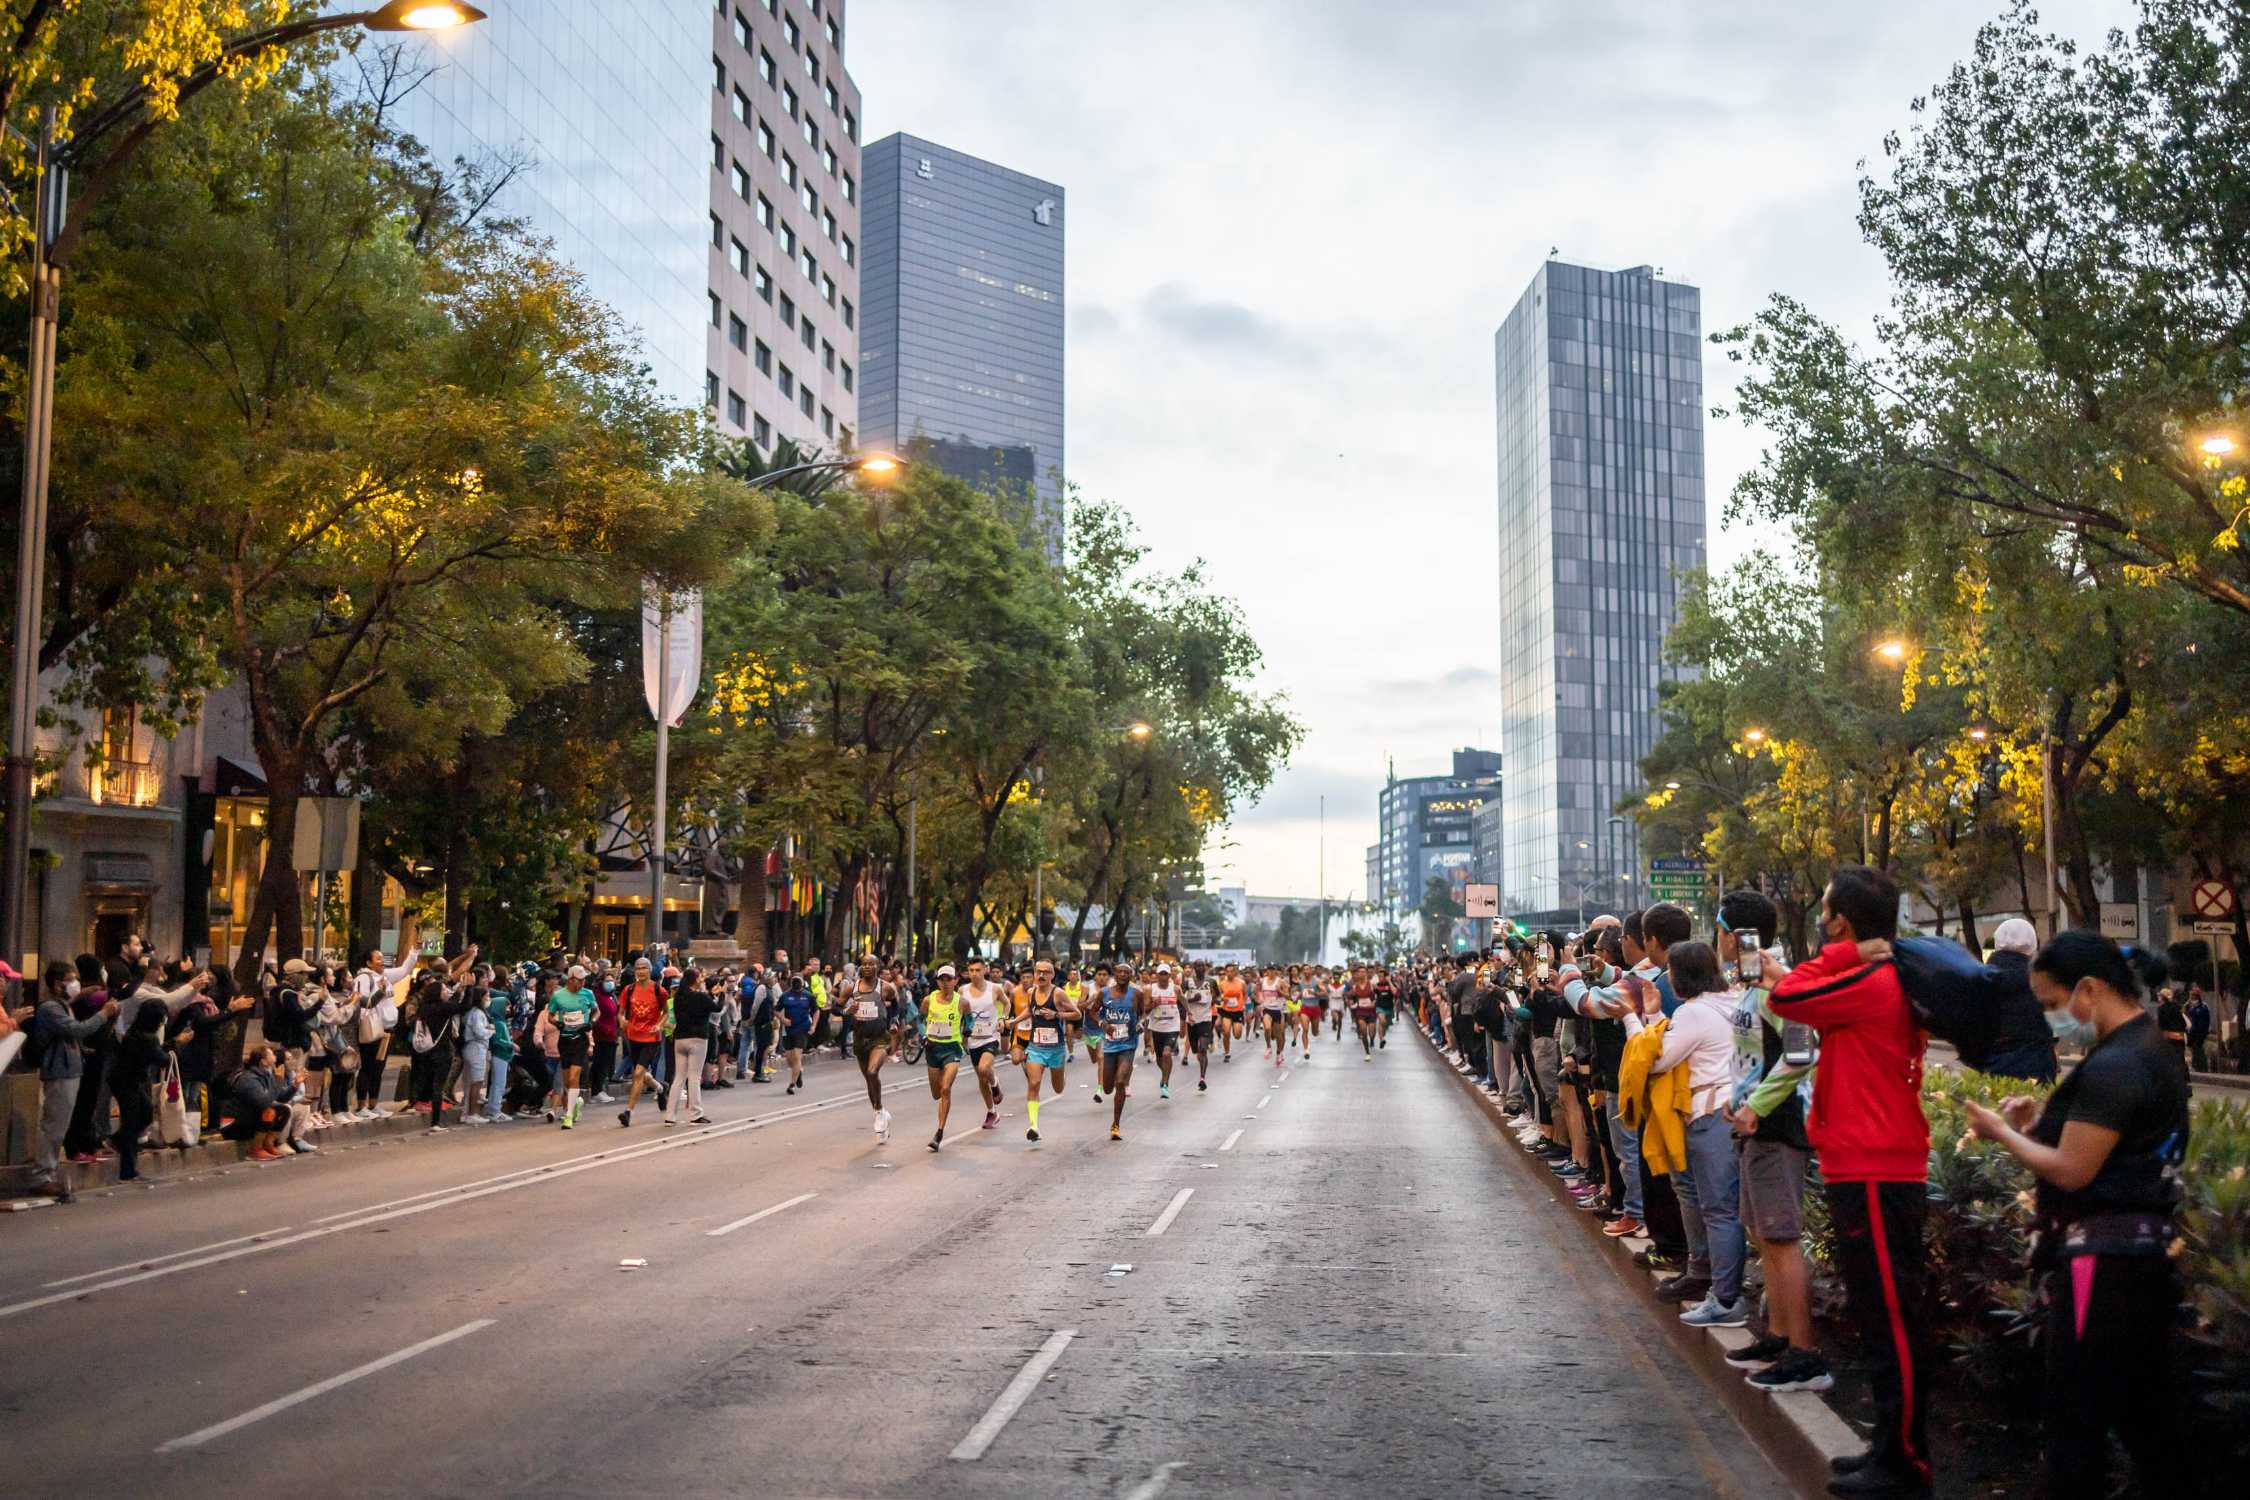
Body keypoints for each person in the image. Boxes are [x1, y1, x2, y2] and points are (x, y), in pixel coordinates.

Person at [1964, 933, 2188, 1500]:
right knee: (2146, 1419)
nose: (2051, 1019)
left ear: (2088, 989)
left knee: (2077, 1418)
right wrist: (2034, 1125)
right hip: (2138, 1256)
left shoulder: (2117, 1064)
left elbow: (2072, 1170)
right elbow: (2112, 1147)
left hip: (2105, 1263)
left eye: (2051, 1003)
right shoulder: (2143, 1049)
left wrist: (2001, 1134)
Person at [1770, 866, 1933, 1498]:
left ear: (1840, 922)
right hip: (1865, 1163)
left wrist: (1844, 954)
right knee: (1880, 1317)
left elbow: (1788, 997)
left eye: (1825, 912)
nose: (1819, 922)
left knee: (1891, 1319)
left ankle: (1906, 1464)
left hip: (1875, 1166)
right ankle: (1890, 1447)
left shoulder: (1871, 979)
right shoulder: (1871, 976)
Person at [1714, 888, 1832, 1394]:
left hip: (1777, 1127)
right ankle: (1779, 1337)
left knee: (1781, 1239)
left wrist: (1756, 1106)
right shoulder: (1751, 984)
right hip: (1752, 1127)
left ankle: (1804, 1354)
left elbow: (1803, 1053)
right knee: (1763, 1235)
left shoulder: (1778, 985)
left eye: (1720, 929)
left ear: (1736, 935)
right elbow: (1753, 1052)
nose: (1718, 940)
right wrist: (1735, 1100)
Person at [31, 962, 121, 1199]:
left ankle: (48, 1173)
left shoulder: (62, 1006)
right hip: (59, 1072)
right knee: (54, 1126)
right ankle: (42, 1176)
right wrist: (103, 1014)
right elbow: (77, 1029)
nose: (76, 984)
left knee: (60, 1125)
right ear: (57, 984)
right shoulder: (51, 1008)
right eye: (71, 980)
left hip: (70, 1070)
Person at [1977, 919, 2061, 1082]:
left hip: (1990, 1063)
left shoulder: (1980, 978)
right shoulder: (2043, 979)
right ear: (2032, 943)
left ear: (1997, 941)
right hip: (2035, 1063)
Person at [1016, 964, 1078, 1142]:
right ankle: (1034, 1126)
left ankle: (1061, 1074)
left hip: (1056, 1049)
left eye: (1046, 972)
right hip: (1036, 1047)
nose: (1041, 975)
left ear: (1052, 975)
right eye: (1039, 972)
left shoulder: (1058, 993)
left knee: (1058, 1088)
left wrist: (1056, 1015)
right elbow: (1030, 1010)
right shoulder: (1031, 992)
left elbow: (1077, 1014)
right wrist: (1014, 1021)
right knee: (1034, 1083)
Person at [844, 960, 895, 1142]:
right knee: (868, 1078)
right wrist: (848, 1010)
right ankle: (880, 1112)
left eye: (870, 964)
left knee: (872, 1072)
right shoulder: (852, 988)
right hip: (860, 1039)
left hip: (879, 1038)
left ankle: (879, 1112)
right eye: (864, 964)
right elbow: (838, 1007)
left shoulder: (886, 987)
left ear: (877, 967)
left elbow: (896, 1005)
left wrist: (894, 1021)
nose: (866, 967)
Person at [544, 964, 598, 1128]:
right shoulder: (558, 996)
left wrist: (591, 1022)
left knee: (574, 1077)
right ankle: (577, 1102)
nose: (582, 983)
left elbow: (597, 1011)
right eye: (579, 980)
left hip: (580, 1039)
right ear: (570, 979)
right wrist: (557, 1023)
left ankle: (568, 1116)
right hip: (565, 1040)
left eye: (584, 980)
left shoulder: (588, 994)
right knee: (568, 1081)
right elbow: (550, 1016)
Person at [920, 964, 967, 1150]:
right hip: (933, 1048)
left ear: (956, 981)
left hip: (952, 1049)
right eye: (942, 979)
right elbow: (920, 1018)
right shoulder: (928, 1000)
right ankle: (940, 1119)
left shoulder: (962, 1002)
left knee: (946, 1089)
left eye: (949, 979)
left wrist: (968, 1031)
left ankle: (939, 1133)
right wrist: (924, 1034)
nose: (946, 983)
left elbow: (969, 1020)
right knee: (936, 1093)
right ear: (938, 981)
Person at [1096, 964, 1143, 1142]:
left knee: (1121, 1081)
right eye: (1120, 972)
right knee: (1108, 1088)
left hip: (1128, 1044)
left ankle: (1115, 1124)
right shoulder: (1104, 993)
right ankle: (1109, 1090)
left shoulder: (1136, 994)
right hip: (1110, 1045)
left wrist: (1141, 1024)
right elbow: (1092, 1012)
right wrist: (1103, 1024)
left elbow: (1143, 1014)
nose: (1123, 974)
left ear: (1131, 975)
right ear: (1114, 975)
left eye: (1126, 972)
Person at [962, 957, 1010, 1128]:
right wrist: (962, 1034)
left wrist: (1003, 1018)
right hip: (973, 1039)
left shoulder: (995, 988)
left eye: (978, 970)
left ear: (985, 970)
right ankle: (992, 1112)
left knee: (984, 1068)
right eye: (971, 970)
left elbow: (1007, 1004)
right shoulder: (962, 991)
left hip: (991, 1037)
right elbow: (959, 1012)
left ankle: (995, 1084)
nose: (974, 974)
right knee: (982, 1080)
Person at [665, 968, 716, 1126]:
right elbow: (717, 1008)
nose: (702, 980)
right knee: (694, 1076)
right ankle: (696, 1114)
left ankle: (670, 1116)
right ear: (695, 980)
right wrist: (716, 994)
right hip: (698, 1039)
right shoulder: (700, 996)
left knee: (679, 1077)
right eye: (700, 977)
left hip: (680, 1039)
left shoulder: (678, 997)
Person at [1144, 962, 1183, 1099]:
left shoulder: (1175, 988)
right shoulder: (1150, 989)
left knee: (1167, 1054)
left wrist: (1189, 1014)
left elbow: (1183, 1000)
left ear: (1169, 975)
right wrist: (1153, 1004)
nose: (1163, 976)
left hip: (1172, 1026)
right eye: (1161, 974)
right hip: (1157, 1027)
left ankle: (1165, 1083)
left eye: (1165, 974)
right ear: (1157, 975)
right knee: (1160, 1059)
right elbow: (1145, 1009)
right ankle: (1165, 1073)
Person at [776, 970, 816, 1094]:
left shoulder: (808, 996)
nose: (796, 983)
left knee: (797, 1055)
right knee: (790, 1058)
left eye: (798, 981)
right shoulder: (785, 996)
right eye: (794, 981)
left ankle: (792, 1085)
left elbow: (816, 1011)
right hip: (788, 1030)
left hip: (802, 1028)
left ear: (802, 982)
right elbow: (776, 1010)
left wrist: (813, 1025)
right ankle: (799, 1072)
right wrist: (783, 1019)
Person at [1181, 959, 1216, 1091]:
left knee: (1203, 1049)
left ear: (1205, 968)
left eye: (1202, 966)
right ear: (1194, 968)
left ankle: (1202, 1078)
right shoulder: (1187, 982)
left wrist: (1212, 1002)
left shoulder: (1211, 981)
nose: (1200, 968)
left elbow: (1217, 996)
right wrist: (1192, 999)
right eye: (1198, 966)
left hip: (1206, 1019)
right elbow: (1180, 999)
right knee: (1196, 1050)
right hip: (1192, 1020)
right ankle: (1199, 1055)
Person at [2185, 986, 2212, 1073]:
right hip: (2193, 1033)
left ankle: (2202, 1067)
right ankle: (2197, 1066)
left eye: (2193, 995)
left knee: (2198, 1050)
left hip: (2200, 1033)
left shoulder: (2202, 1007)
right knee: (2195, 1051)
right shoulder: (2192, 1007)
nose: (2191, 997)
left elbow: (2203, 1022)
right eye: (2191, 995)